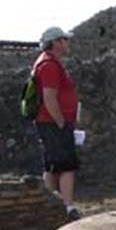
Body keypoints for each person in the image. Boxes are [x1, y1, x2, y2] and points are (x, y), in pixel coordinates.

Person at [32, 26, 81, 219]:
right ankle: (67, 207)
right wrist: (61, 121)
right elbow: (49, 97)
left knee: (52, 165)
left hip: (49, 121)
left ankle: (50, 205)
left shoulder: (47, 63)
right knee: (66, 165)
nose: (68, 43)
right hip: (53, 122)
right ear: (56, 42)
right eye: (65, 40)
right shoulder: (50, 65)